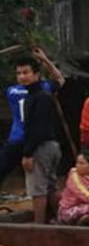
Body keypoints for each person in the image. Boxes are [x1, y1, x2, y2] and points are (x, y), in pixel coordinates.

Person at [1, 48, 65, 187]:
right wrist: (45, 60)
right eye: (19, 73)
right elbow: (60, 79)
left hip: (35, 141)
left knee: (42, 180)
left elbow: (60, 79)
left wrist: (44, 60)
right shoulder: (13, 91)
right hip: (17, 139)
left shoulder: (40, 89)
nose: (22, 76)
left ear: (35, 74)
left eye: (25, 72)